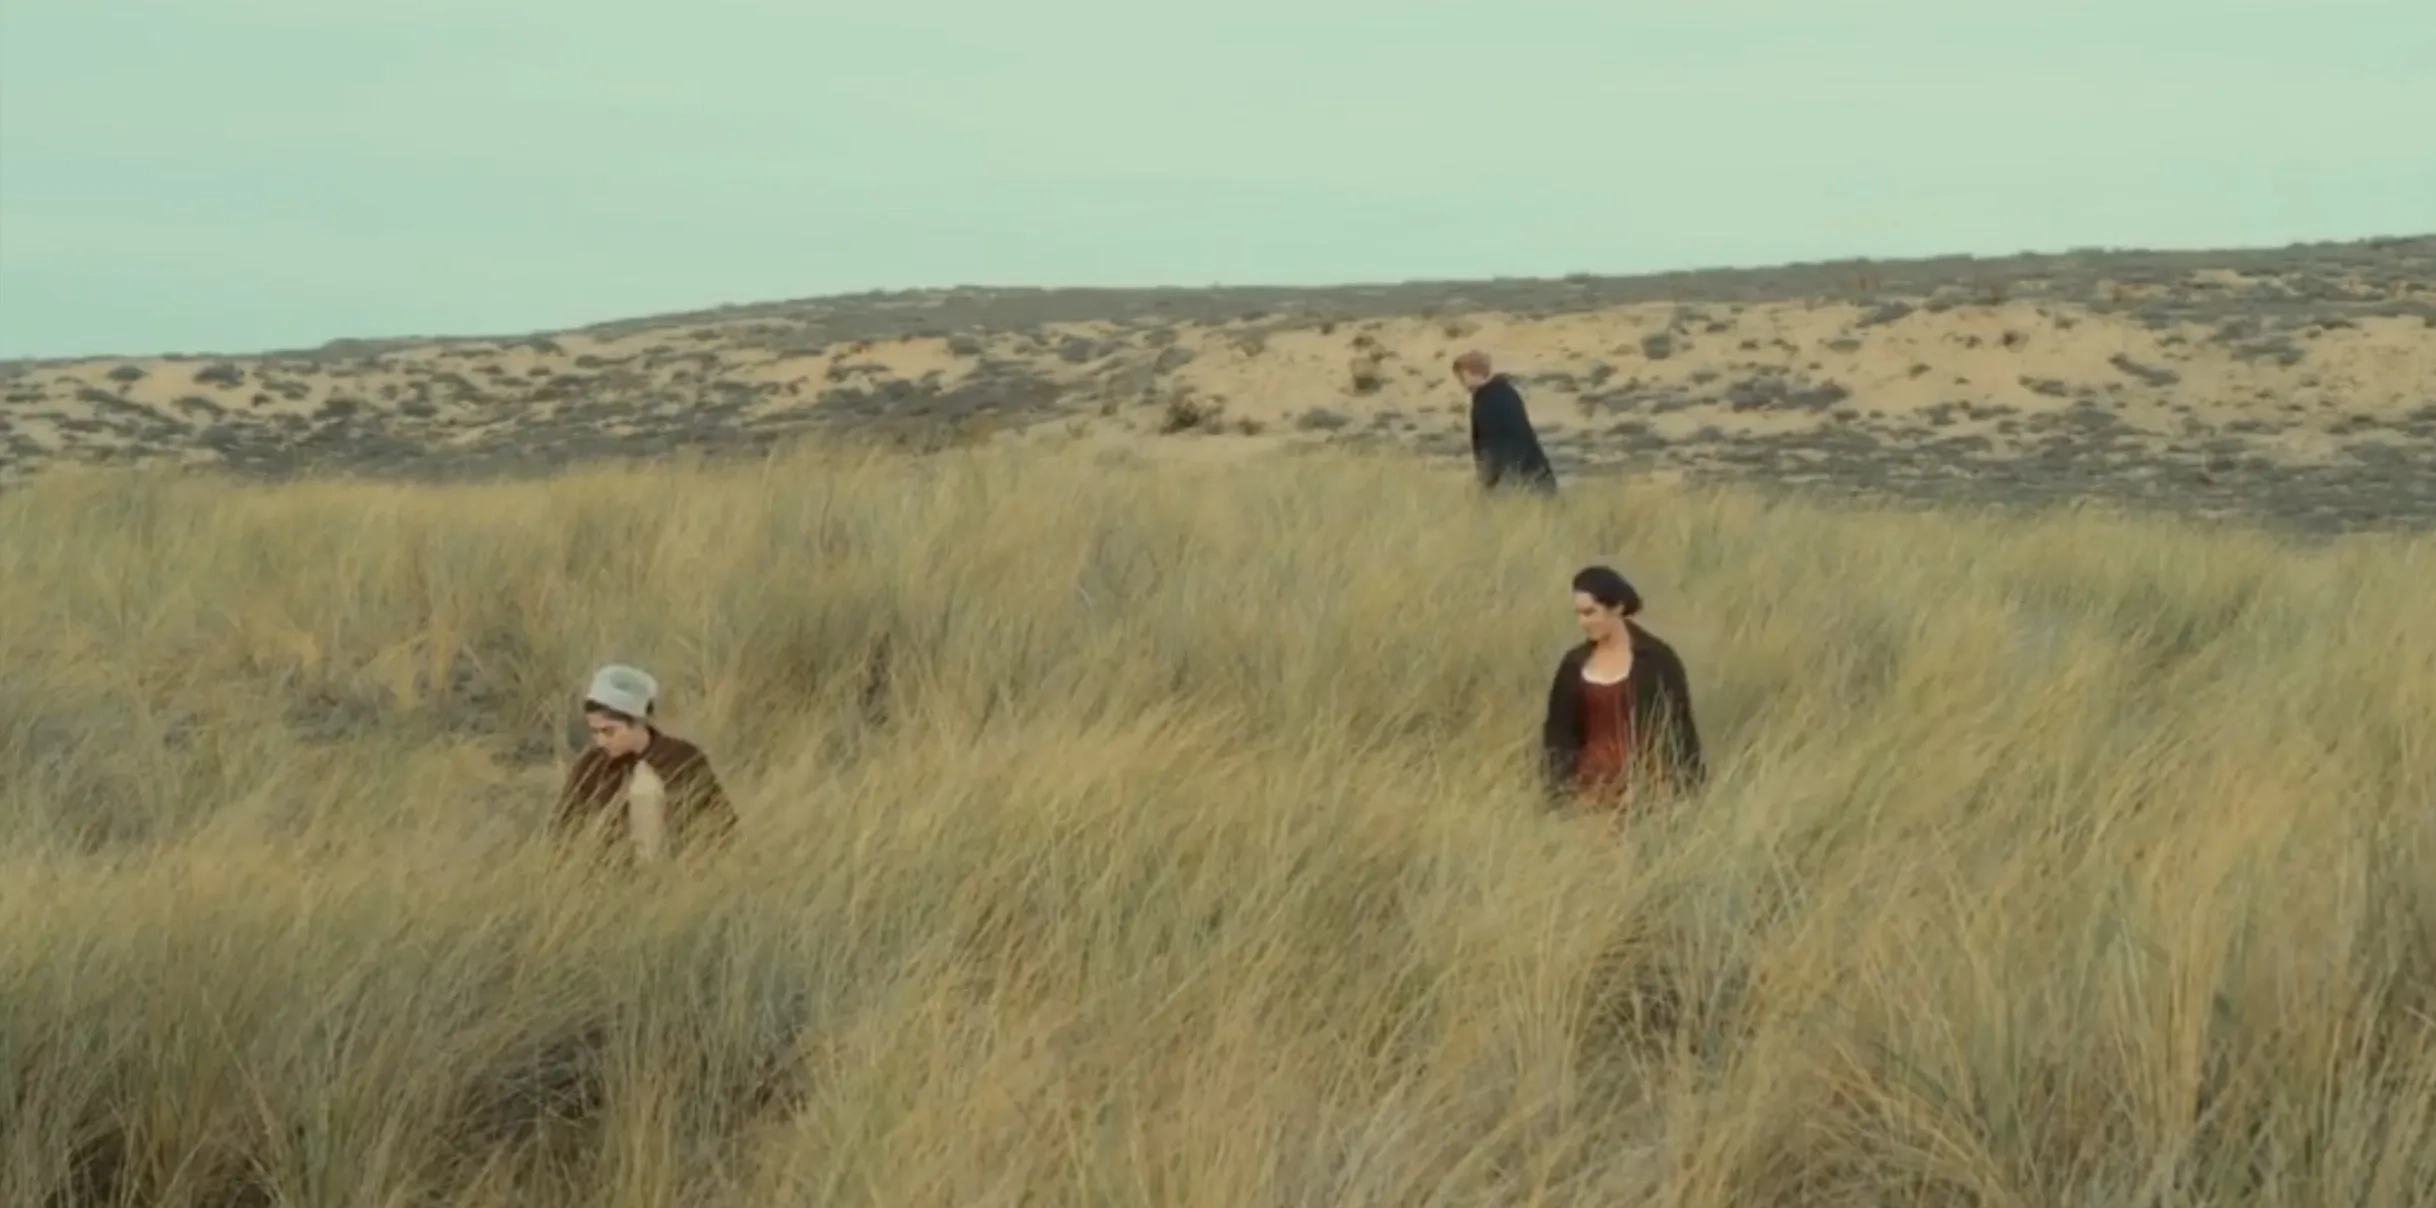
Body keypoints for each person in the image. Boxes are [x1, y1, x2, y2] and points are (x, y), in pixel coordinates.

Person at [1539, 566, 1707, 814]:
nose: (1583, 622)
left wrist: (1682, 790)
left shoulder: (1657, 660)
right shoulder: (1574, 664)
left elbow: (1680, 729)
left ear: (1616, 607)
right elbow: (1558, 735)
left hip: (1646, 791)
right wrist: (1560, 793)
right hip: (1586, 793)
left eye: (1590, 613)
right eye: (1579, 614)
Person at [550, 663, 738, 865]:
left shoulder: (680, 758)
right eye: (595, 732)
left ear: (637, 722)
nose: (601, 741)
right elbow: (563, 826)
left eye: (609, 731)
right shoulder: (592, 765)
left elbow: (721, 825)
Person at [1455, 350, 1557, 496]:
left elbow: (1490, 442)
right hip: (1533, 472)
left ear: (1472, 373)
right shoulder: (1505, 392)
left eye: (1462, 377)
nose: (1462, 383)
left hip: (1512, 477)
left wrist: (1490, 478)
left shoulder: (1488, 400)